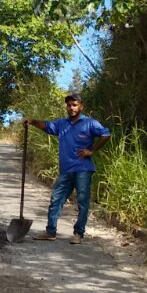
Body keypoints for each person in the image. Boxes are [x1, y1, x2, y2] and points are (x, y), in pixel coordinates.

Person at [23, 94, 111, 244]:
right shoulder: (62, 124)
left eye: (75, 105)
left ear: (81, 106)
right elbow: (47, 126)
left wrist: (92, 151)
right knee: (56, 199)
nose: (72, 108)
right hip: (67, 170)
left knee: (82, 201)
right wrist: (32, 121)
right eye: (69, 105)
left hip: (83, 169)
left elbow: (106, 134)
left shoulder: (90, 123)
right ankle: (50, 231)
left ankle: (78, 233)